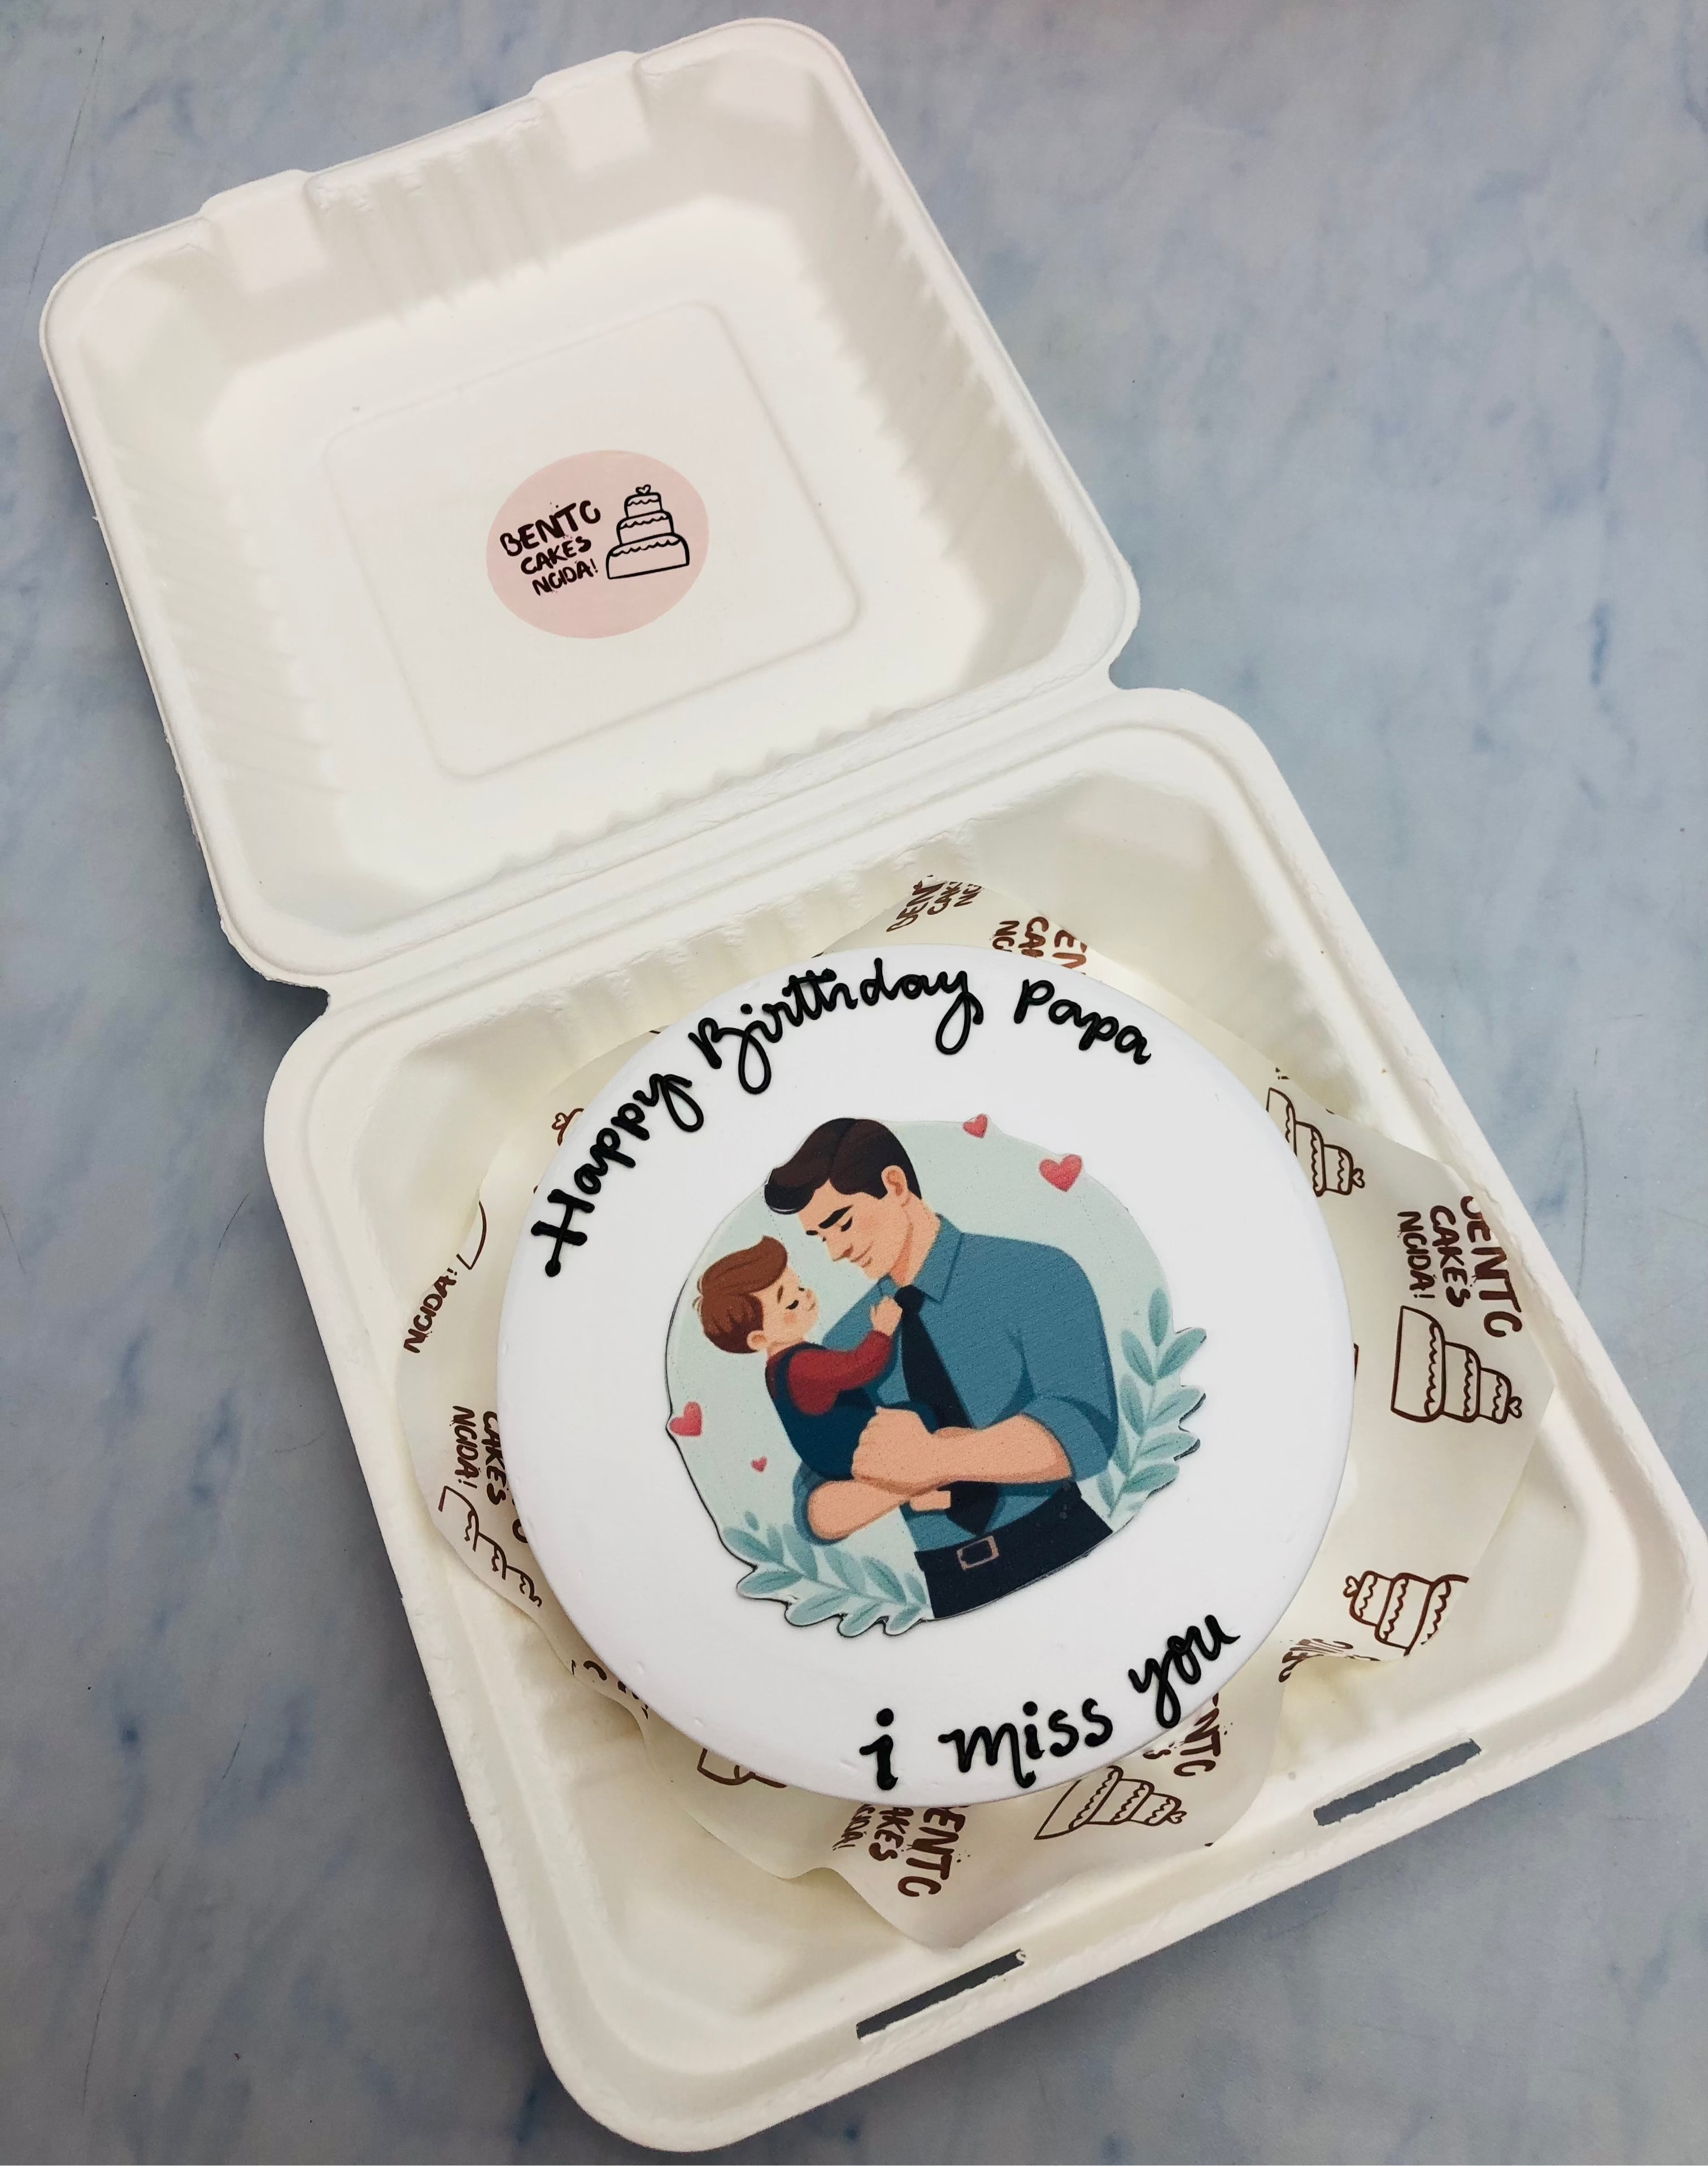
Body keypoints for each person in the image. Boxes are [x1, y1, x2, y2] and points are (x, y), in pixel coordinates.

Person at [763, 1117, 1118, 1619]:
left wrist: (937, 1459)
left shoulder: (1035, 1272)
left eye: (841, 1223)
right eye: (820, 1237)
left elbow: (1086, 1429)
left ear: (894, 1185)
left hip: (1068, 1553)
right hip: (949, 1590)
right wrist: (897, 1480)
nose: (836, 1250)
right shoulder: (844, 1344)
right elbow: (815, 1509)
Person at [694, 1236, 951, 1502]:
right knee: (922, 1416)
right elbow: (859, 1367)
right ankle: (921, 1488)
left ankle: (920, 1492)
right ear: (759, 1339)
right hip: (853, 1448)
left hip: (831, 1454)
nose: (806, 1297)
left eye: (800, 1288)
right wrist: (882, 1332)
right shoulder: (801, 1366)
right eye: (791, 1303)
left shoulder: (778, 1370)